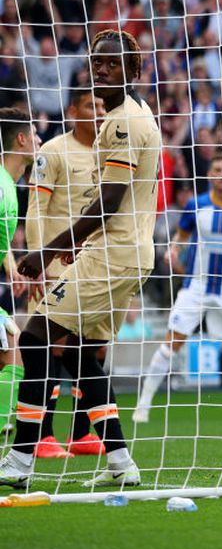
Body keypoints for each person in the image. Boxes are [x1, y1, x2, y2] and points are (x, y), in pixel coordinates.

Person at [3, 29, 162, 489]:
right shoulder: (127, 116)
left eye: (113, 64)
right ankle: (120, 462)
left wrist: (47, 251)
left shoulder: (120, 123)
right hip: (114, 251)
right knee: (74, 352)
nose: (102, 70)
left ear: (133, 71)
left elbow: (109, 201)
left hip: (113, 253)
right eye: (97, 62)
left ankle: (19, 460)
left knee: (34, 340)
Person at [132, 154, 222, 424]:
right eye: (218, 169)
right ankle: (144, 403)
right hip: (195, 286)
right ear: (209, 174)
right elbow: (181, 236)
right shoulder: (196, 205)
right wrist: (174, 249)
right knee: (172, 343)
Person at [26, 90, 107, 458]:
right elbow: (36, 209)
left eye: (104, 106)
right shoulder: (53, 151)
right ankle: (42, 435)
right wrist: (39, 260)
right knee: (53, 347)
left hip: (98, 266)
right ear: (73, 111)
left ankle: (81, 433)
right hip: (59, 265)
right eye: (92, 105)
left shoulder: (112, 153)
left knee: (94, 349)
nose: (100, 112)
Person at [0, 108, 38, 453]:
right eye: (35, 134)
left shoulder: (9, 186)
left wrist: (9, 262)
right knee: (13, 349)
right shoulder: (2, 187)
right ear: (22, 139)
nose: (39, 140)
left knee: (12, 349)